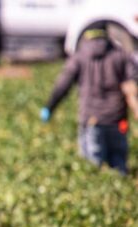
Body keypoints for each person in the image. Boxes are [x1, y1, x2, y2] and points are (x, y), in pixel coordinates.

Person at [41, 23, 138, 176]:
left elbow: (62, 85)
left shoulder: (79, 57)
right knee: (119, 166)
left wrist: (50, 107)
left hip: (92, 120)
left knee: (92, 170)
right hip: (118, 120)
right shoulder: (121, 55)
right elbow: (132, 82)